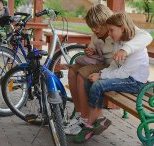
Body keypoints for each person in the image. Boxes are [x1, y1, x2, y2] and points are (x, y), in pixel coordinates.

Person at [64, 4, 153, 136]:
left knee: (82, 75)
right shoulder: (101, 34)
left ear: (106, 21)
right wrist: (91, 50)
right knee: (72, 71)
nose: (94, 29)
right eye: (92, 26)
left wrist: (125, 49)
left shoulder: (118, 27)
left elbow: (146, 36)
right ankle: (80, 114)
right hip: (109, 66)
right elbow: (94, 47)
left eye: (98, 26)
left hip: (118, 70)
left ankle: (86, 118)